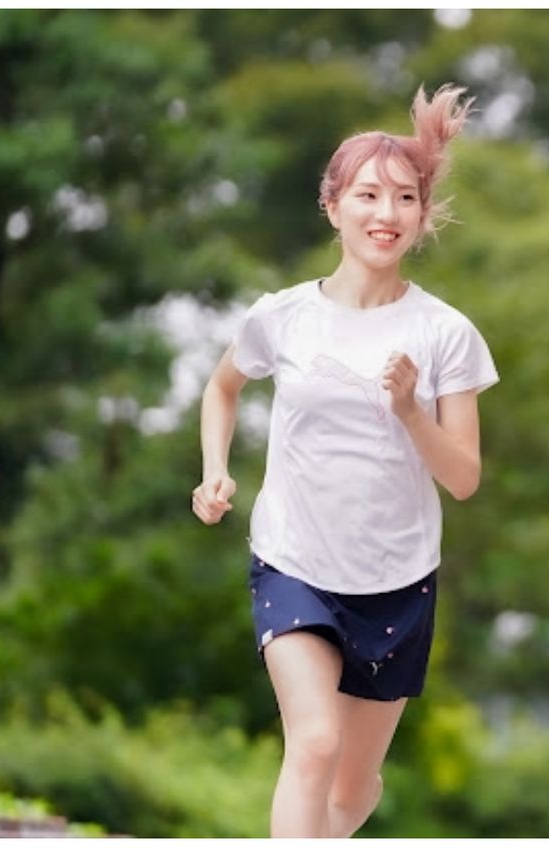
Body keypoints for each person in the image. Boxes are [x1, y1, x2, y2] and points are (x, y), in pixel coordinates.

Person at [190, 83, 498, 838]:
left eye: (403, 198)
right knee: (315, 743)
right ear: (333, 206)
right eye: (367, 194)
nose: (385, 214)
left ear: (422, 216)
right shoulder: (283, 317)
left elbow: (463, 478)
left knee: (352, 788)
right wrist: (214, 468)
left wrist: (408, 412)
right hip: (293, 557)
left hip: (395, 580)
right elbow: (222, 388)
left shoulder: (446, 333)